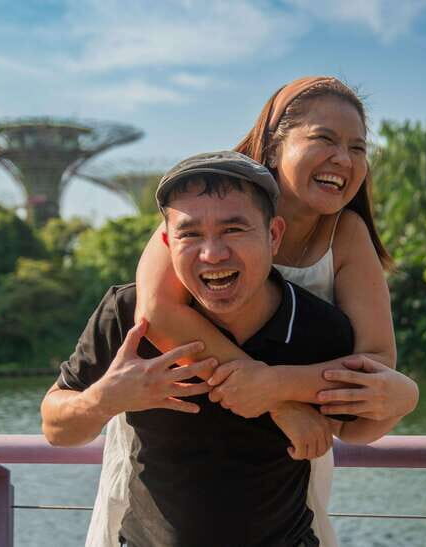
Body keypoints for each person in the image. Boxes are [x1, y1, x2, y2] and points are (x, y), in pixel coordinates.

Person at [88, 77, 419, 547]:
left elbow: (377, 368)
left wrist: (277, 387)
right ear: (273, 143)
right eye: (323, 139)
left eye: (357, 148)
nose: (343, 160)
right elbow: (157, 313)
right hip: (172, 460)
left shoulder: (345, 234)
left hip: (281, 463)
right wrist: (279, 402)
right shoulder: (209, 203)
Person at [42, 151, 380, 546]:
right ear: (167, 242)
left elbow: (366, 420)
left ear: (273, 235)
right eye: (190, 234)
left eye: (234, 230)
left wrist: (283, 393)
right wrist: (104, 399)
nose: (213, 253)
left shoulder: (318, 330)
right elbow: (55, 426)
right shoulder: (129, 316)